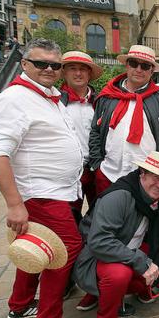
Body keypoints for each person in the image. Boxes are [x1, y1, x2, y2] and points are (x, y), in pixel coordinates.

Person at [0, 38, 82, 318]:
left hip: (61, 190)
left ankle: (20, 304)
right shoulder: (14, 98)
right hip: (41, 193)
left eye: (55, 64)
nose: (50, 69)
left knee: (34, 246)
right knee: (65, 248)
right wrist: (15, 204)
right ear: (25, 64)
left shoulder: (49, 96)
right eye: (41, 63)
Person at [74, 152, 159, 318]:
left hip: (129, 248)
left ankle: (112, 295)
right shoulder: (119, 196)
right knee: (118, 275)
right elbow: (99, 241)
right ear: (143, 173)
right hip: (97, 255)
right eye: (156, 177)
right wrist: (141, 260)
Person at [88, 45, 159, 196]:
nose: (138, 69)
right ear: (127, 65)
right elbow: (95, 131)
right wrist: (97, 164)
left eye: (144, 66)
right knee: (105, 217)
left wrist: (157, 173)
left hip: (145, 179)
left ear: (151, 70)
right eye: (133, 63)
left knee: (140, 220)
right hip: (107, 173)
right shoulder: (108, 96)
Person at [59, 51, 103, 217]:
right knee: (69, 216)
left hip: (96, 168)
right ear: (64, 72)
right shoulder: (55, 102)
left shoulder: (101, 101)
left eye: (83, 69)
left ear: (89, 73)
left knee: (99, 214)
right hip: (69, 171)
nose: (78, 73)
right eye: (72, 68)